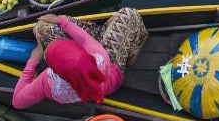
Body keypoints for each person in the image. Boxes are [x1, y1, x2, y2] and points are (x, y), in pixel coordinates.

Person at [11, 9, 146, 109]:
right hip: (112, 71)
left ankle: (103, 33)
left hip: (93, 81)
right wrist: (61, 20)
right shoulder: (100, 59)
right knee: (129, 14)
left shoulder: (49, 83)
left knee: (40, 28)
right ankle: (131, 50)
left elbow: (17, 102)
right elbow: (85, 40)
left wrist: (33, 61)